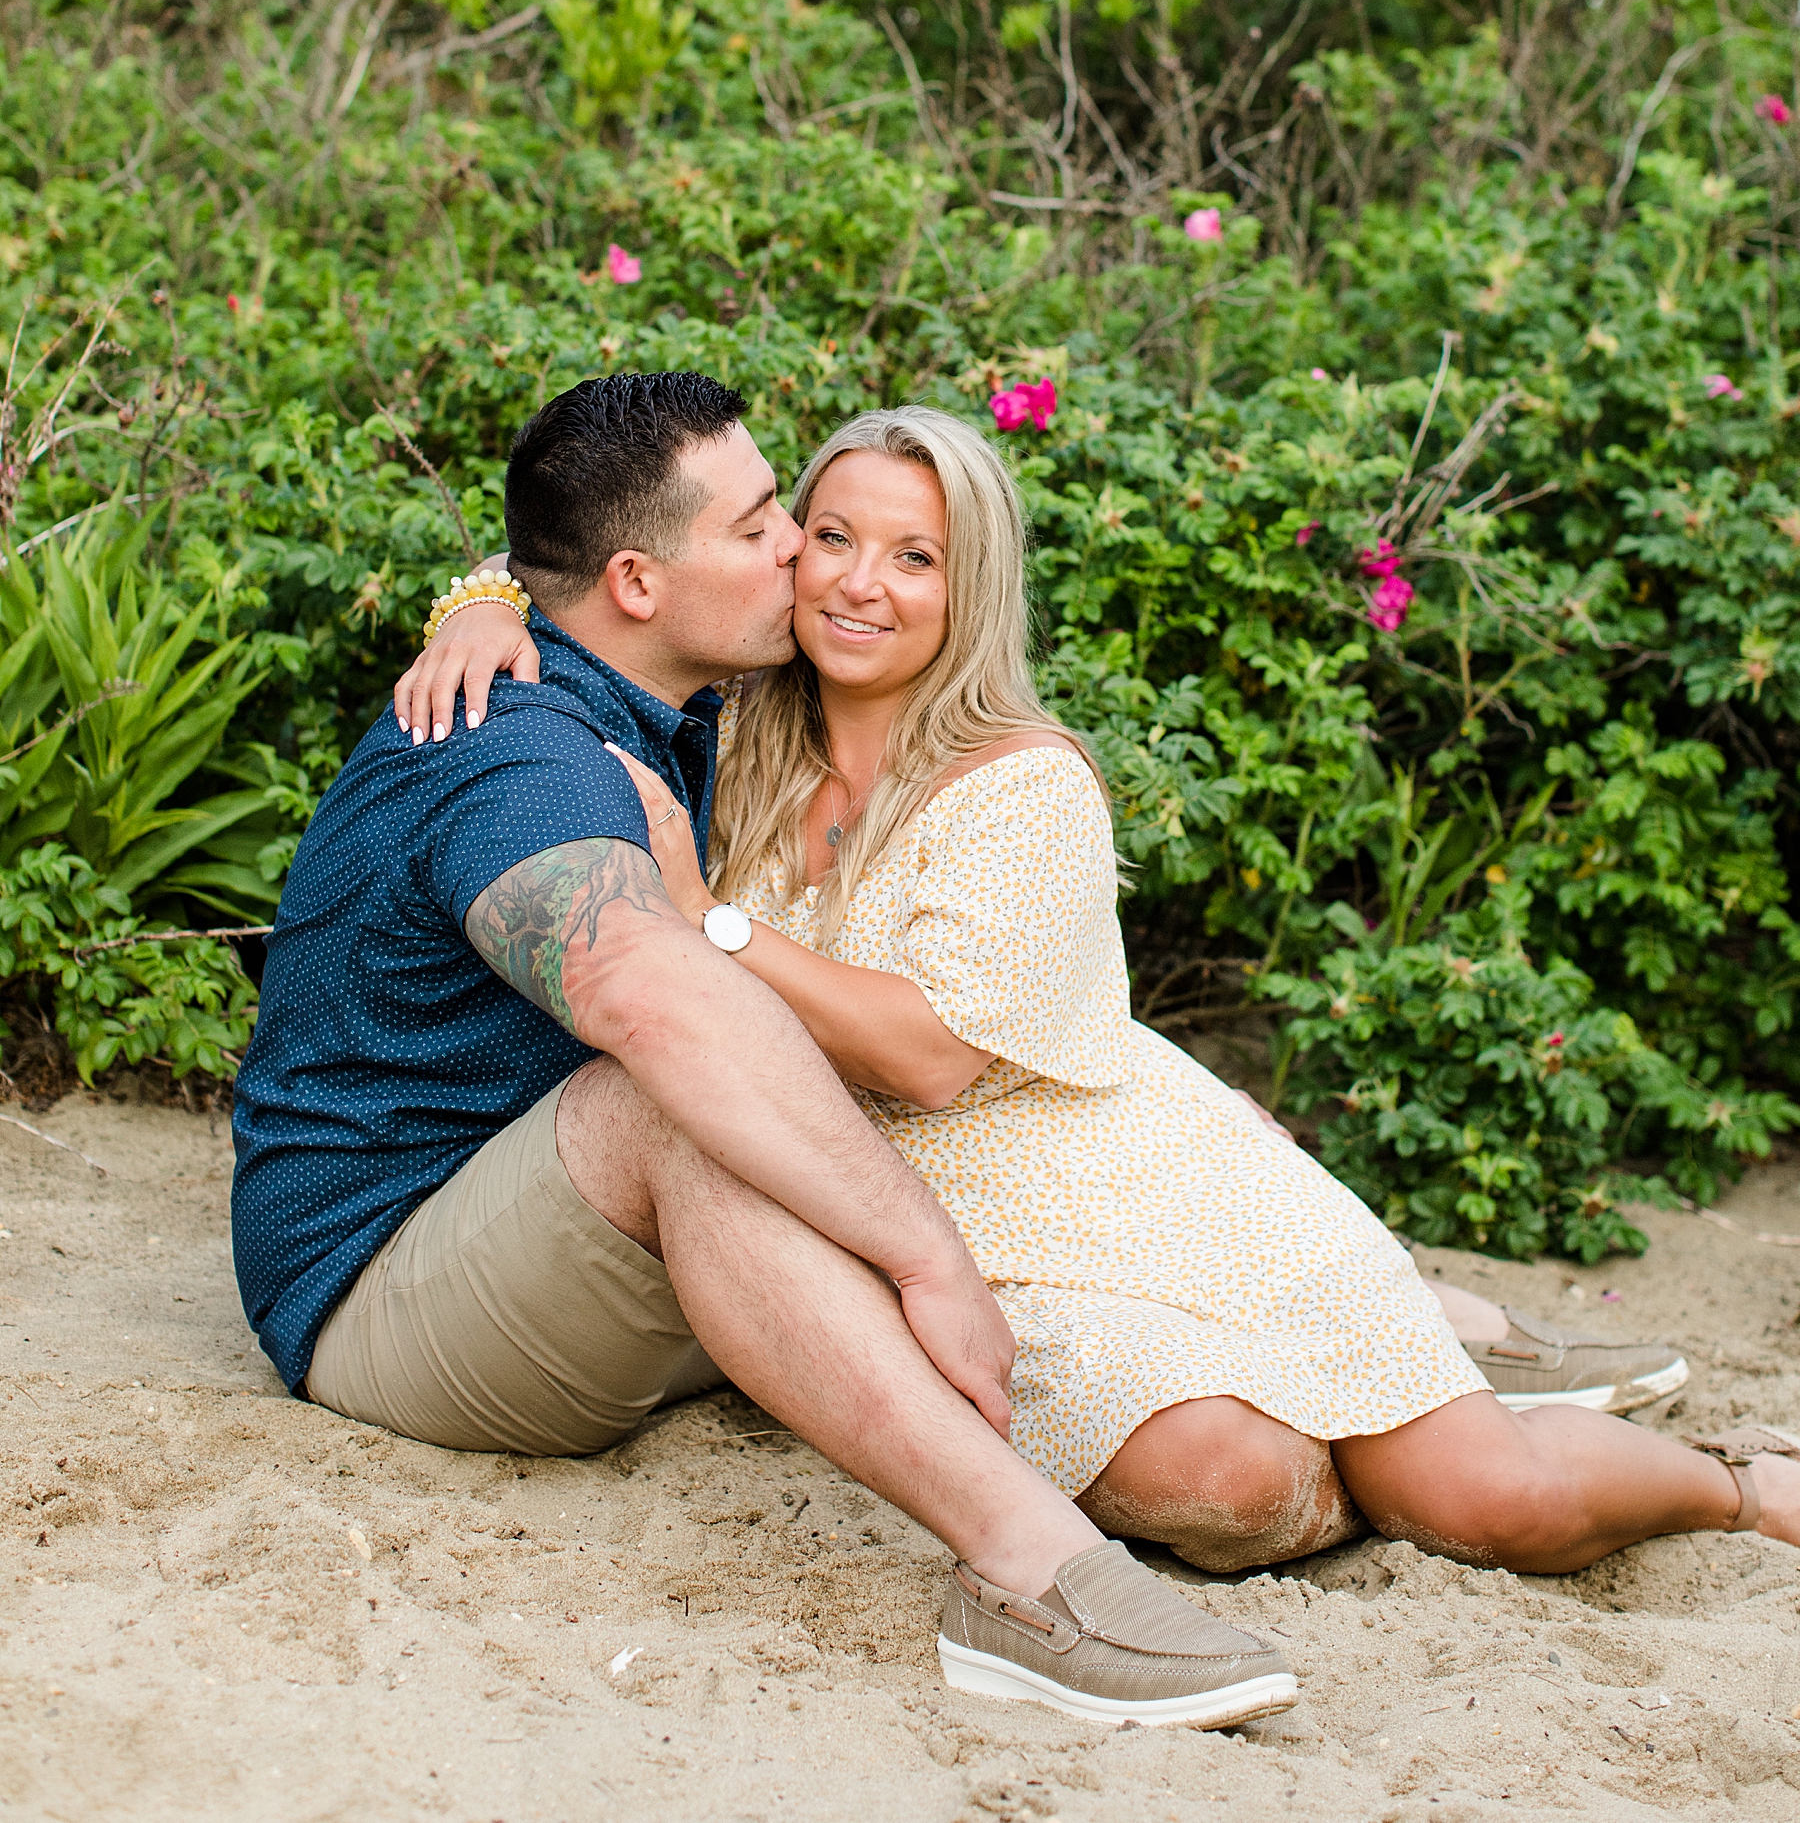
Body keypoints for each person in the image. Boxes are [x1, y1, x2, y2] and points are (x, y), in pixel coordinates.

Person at [407, 400, 1800, 1576]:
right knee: (1235, 1487)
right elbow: (623, 561)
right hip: (957, 1248)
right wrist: (482, 599)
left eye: (915, 557)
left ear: (973, 591)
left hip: (1147, 1208)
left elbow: (933, 1058)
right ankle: (1445, 1365)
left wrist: (711, 926)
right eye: (829, 536)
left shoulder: (1023, 782)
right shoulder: (736, 725)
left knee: (1500, 1508)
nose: (853, 582)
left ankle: (1731, 1482)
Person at [234, 370, 1302, 1734]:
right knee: (679, 1099)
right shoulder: (521, 751)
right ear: (636, 582)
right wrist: (928, 1259)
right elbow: (651, 996)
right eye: (759, 528)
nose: (799, 549)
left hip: (553, 1240)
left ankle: (1393, 1320)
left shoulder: (668, 690)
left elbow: (547, 554)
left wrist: (480, 591)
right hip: (374, 1289)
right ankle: (1034, 1581)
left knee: (1162, 1381)